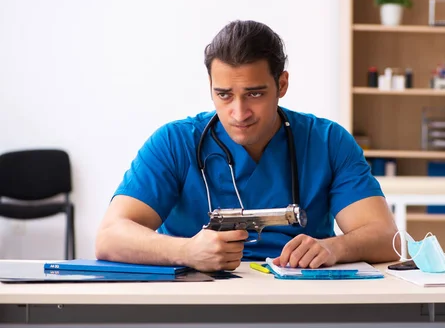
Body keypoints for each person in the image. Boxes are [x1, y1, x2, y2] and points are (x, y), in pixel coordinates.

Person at [95, 20, 399, 272]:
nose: (239, 113)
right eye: (224, 95)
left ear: (281, 85)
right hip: (196, 297)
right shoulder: (175, 142)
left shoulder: (328, 141)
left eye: (254, 94)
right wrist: (185, 250)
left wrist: (334, 248)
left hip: (300, 297)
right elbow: (110, 237)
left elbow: (388, 239)